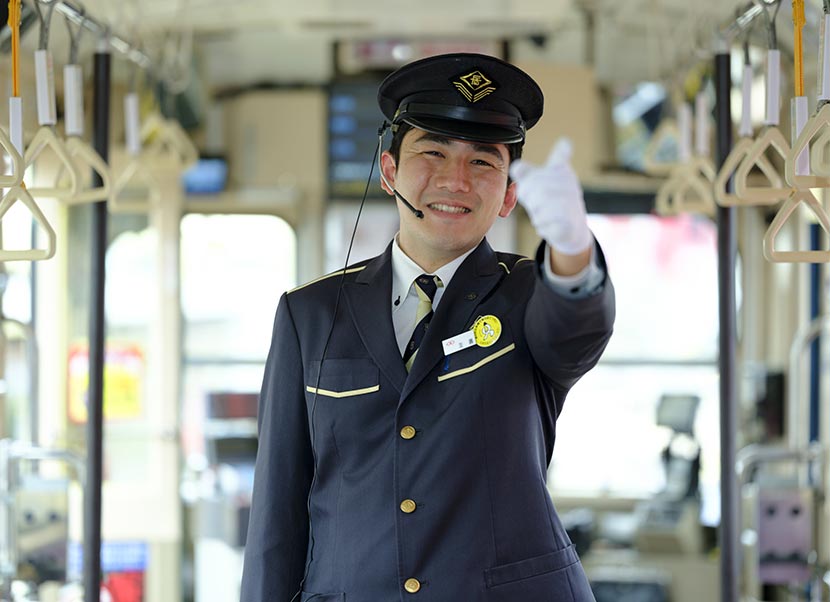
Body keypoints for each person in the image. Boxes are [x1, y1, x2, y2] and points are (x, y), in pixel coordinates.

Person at [241, 53, 615, 602]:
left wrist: (573, 249)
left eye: (483, 162)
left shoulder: (531, 293)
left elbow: (576, 331)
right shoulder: (310, 313)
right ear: (389, 172)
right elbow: (277, 511)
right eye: (433, 152)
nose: (455, 180)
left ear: (509, 194)